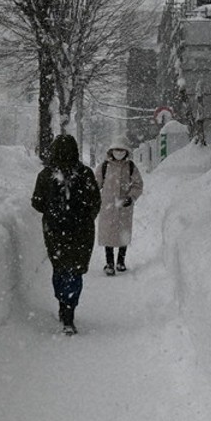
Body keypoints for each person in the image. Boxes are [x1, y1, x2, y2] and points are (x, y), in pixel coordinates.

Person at [31, 134, 101, 335]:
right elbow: (95, 201)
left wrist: (53, 212)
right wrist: (84, 217)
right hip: (81, 232)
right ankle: (70, 309)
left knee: (60, 268)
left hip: (55, 231)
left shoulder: (46, 175)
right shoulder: (85, 174)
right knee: (75, 270)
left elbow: (37, 202)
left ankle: (62, 303)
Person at [94, 140, 144, 276]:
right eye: (117, 150)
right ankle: (109, 263)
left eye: (122, 150)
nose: (119, 153)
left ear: (127, 151)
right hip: (108, 207)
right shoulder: (104, 166)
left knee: (123, 234)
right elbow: (94, 185)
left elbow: (138, 185)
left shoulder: (131, 167)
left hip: (124, 207)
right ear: (111, 151)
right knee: (108, 235)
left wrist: (131, 197)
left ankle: (121, 262)